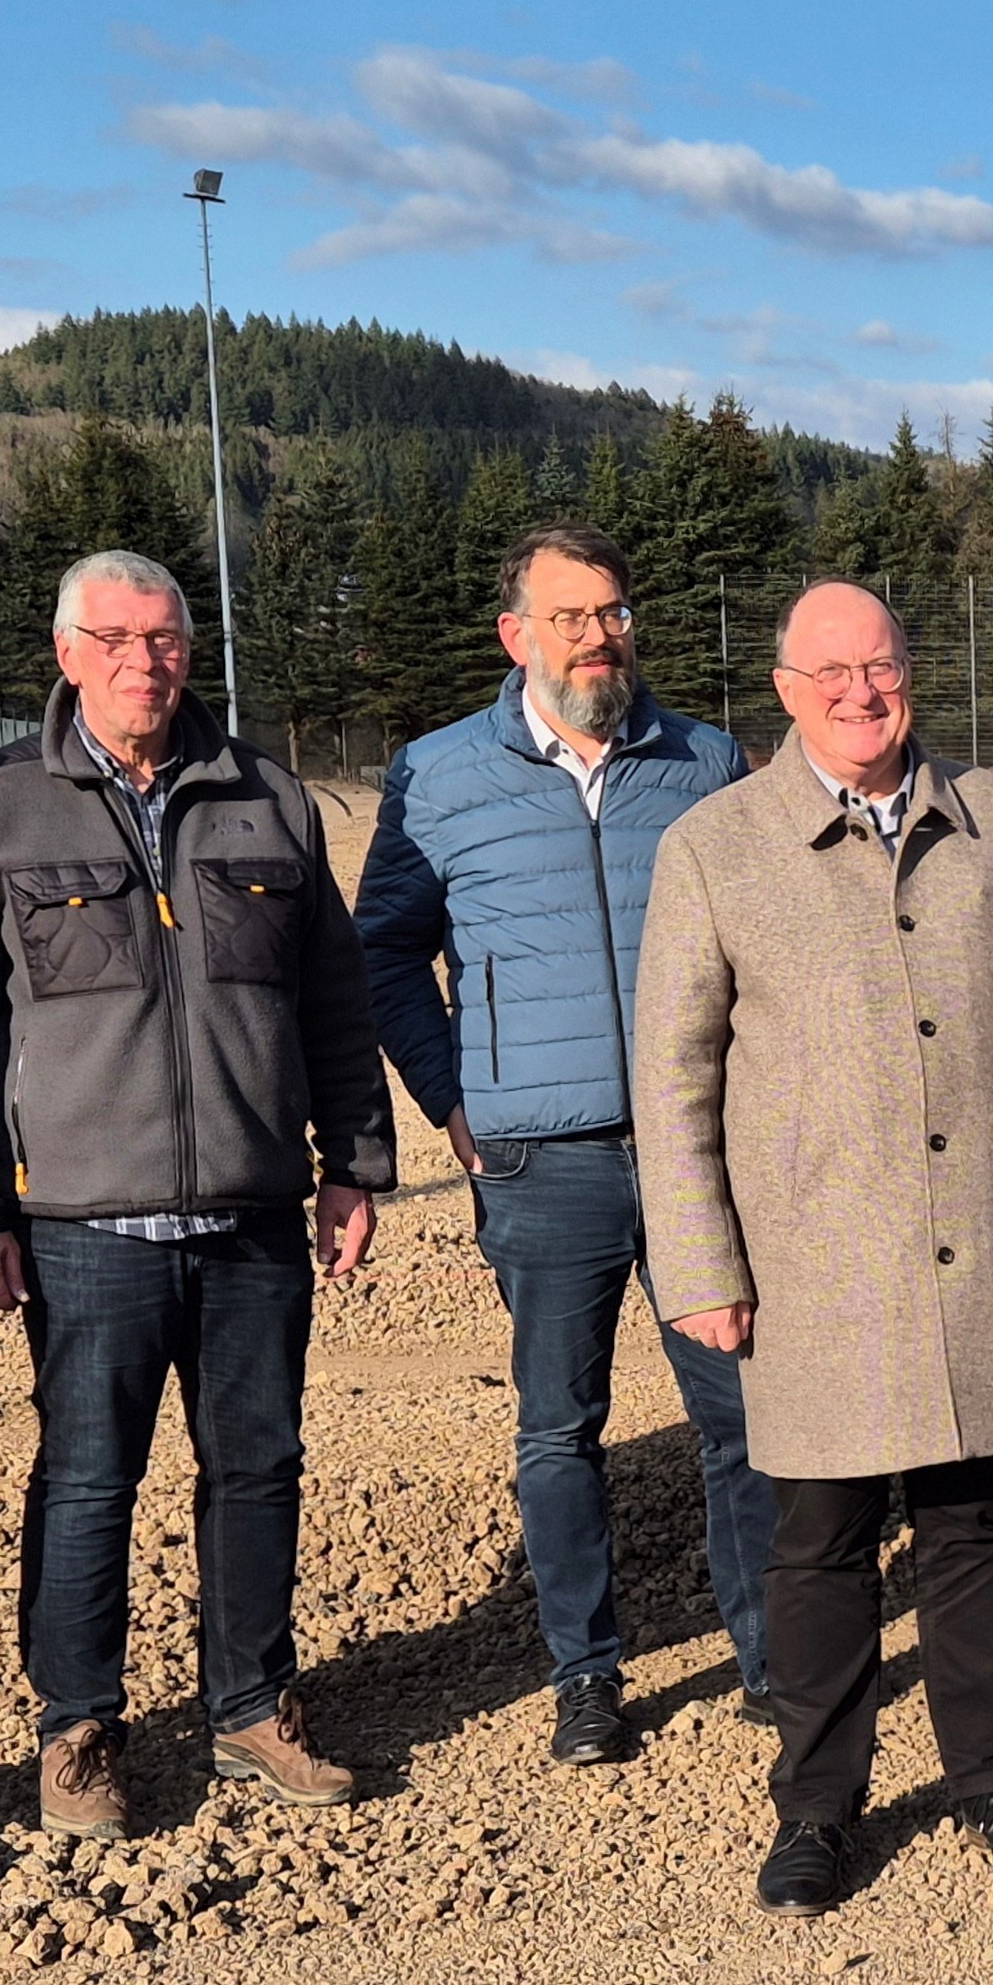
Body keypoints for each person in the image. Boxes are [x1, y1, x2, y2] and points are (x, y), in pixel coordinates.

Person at [0, 549, 397, 1841]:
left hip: (248, 1218)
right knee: (85, 1479)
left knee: (258, 1465)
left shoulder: (268, 801)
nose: (145, 661)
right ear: (67, 654)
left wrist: (351, 1163)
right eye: (115, 638)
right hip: (78, 1229)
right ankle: (78, 1728)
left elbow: (334, 1002)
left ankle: (250, 1708)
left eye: (167, 637)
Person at [633, 581, 993, 1914]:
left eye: (880, 666)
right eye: (829, 670)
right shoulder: (717, 845)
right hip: (814, 1261)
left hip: (972, 1251)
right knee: (822, 1542)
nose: (859, 691)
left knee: (969, 1530)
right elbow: (672, 1074)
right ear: (784, 688)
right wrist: (701, 1262)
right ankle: (820, 1805)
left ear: (914, 674)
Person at [355, 523, 773, 1766]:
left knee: (742, 1413)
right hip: (541, 1161)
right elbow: (380, 945)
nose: (599, 637)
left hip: (699, 1153)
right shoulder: (437, 777)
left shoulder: (706, 762)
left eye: (613, 613)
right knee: (557, 1427)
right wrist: (447, 1093)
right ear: (516, 635)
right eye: (573, 616)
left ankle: (769, 1654)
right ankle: (585, 1672)